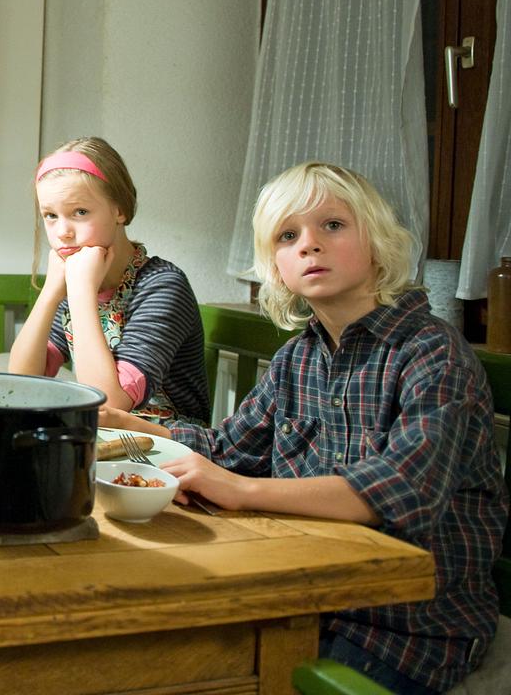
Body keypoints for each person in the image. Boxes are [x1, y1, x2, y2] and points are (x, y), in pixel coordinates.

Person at [103, 162, 508, 694]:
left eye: (333, 226)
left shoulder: (431, 352)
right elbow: (227, 448)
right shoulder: (298, 357)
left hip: (412, 623)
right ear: (275, 266)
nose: (309, 246)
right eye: (288, 236)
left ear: (378, 242)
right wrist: (125, 425)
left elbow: (405, 489)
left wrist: (242, 491)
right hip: (305, 597)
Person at [8, 137, 209, 424]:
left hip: (167, 446)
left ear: (119, 210)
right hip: (101, 435)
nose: (62, 231)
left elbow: (108, 402)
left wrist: (80, 291)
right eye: (50, 215)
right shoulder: (77, 277)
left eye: (80, 212)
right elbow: (21, 383)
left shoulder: (162, 285)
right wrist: (52, 291)